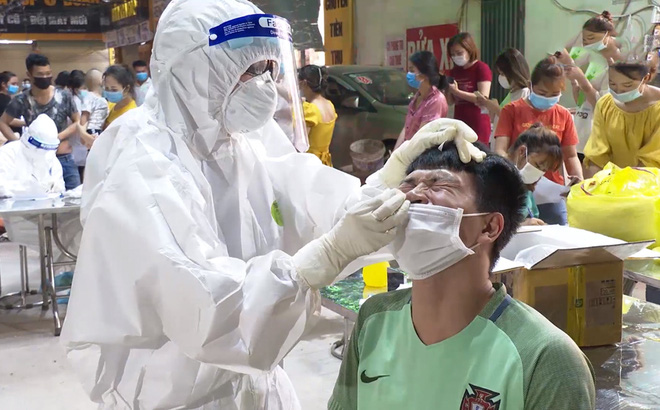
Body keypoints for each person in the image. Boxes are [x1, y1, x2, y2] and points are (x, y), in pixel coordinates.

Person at [60, 2, 466, 408]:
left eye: (271, 68)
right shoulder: (143, 162)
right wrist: (325, 255)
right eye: (250, 69)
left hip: (257, 386)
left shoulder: (242, 139)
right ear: (195, 70)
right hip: (179, 398)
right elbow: (206, 310)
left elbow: (316, 199)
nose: (266, 84)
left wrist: (393, 179)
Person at [329, 141, 596, 410]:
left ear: (489, 227)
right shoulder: (374, 320)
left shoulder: (545, 358)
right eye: (408, 185)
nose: (414, 197)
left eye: (439, 185)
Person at [494, 56, 582, 225]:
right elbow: (500, 150)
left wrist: (579, 181)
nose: (547, 98)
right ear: (530, 86)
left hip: (552, 193)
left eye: (554, 94)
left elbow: (571, 156)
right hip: (517, 188)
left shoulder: (563, 115)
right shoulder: (512, 110)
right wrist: (515, 174)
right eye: (542, 93)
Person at [0, 53, 80, 191]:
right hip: (36, 162)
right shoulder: (22, 99)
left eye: (48, 73)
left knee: (74, 198)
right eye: (40, 74)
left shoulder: (63, 96)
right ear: (29, 75)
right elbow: (3, 122)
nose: (45, 77)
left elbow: (77, 121)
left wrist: (56, 138)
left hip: (63, 157)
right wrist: (18, 143)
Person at [583, 59, 660, 178]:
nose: (619, 91)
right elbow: (596, 153)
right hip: (612, 182)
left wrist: (626, 186)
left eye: (627, 85)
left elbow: (652, 159)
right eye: (612, 84)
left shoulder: (657, 109)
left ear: (645, 78)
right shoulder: (605, 104)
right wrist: (595, 184)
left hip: (649, 182)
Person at [508, 124, 563, 226]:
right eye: (538, 165)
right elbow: (488, 225)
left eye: (544, 170)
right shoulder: (496, 181)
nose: (539, 172)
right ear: (522, 152)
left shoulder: (526, 188)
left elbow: (532, 216)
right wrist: (521, 225)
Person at [476, 48, 530, 147]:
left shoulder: (525, 93)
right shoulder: (512, 93)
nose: (501, 77)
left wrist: (494, 107)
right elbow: (500, 119)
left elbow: (516, 122)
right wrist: (489, 108)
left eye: (502, 74)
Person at [394, 50, 448, 150]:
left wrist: (403, 155)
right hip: (409, 152)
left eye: (412, 70)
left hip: (421, 154)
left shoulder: (436, 101)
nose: (408, 74)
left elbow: (422, 138)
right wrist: (395, 152)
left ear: (424, 74)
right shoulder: (418, 96)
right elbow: (406, 128)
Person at [0, 114, 64, 198]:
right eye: (40, 147)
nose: (44, 152)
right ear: (29, 140)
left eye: (49, 148)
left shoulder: (52, 160)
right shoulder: (7, 154)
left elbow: (59, 191)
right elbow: (2, 188)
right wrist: (29, 188)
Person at [447, 32, 492, 145]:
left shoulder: (481, 68)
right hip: (460, 121)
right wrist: (446, 89)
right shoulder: (454, 71)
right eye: (453, 54)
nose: (456, 57)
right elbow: (450, 101)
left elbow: (482, 97)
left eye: (459, 53)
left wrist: (457, 92)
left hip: (478, 121)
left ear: (469, 50)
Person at [298, 64, 336, 166]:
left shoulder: (310, 109)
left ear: (304, 83)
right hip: (325, 162)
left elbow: (301, 144)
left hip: (311, 163)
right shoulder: (329, 105)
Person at [77, 69, 109, 151]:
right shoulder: (89, 97)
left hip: (100, 130)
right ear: (100, 81)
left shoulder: (101, 98)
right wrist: (83, 135)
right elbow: (85, 115)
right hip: (93, 130)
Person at [102, 64, 137, 129]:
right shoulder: (111, 105)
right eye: (107, 88)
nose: (109, 92)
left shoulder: (131, 114)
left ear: (126, 89)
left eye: (114, 90)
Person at [0, 71, 24, 143]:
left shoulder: (10, 98)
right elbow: (8, 120)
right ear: (3, 84)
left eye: (17, 84)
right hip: (8, 136)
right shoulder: (3, 99)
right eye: (13, 84)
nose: (16, 86)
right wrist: (26, 122)